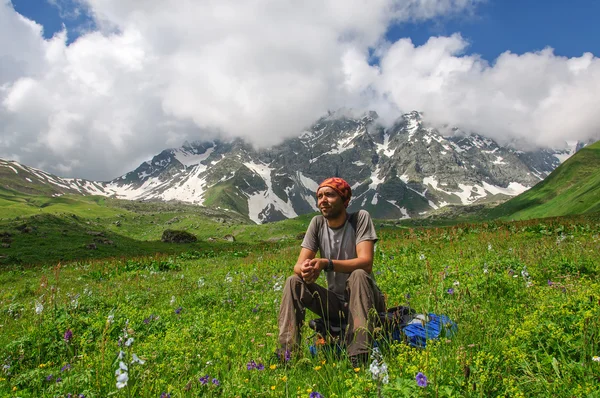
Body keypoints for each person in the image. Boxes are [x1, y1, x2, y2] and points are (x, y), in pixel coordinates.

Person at [277, 177, 386, 366]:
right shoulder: (317, 223)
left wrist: (326, 264)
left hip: (366, 300)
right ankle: (287, 356)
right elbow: (298, 265)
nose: (322, 200)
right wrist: (306, 270)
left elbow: (366, 262)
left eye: (329, 195)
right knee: (292, 282)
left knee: (358, 275)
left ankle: (359, 356)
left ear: (344, 200)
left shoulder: (360, 218)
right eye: (319, 196)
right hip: (337, 304)